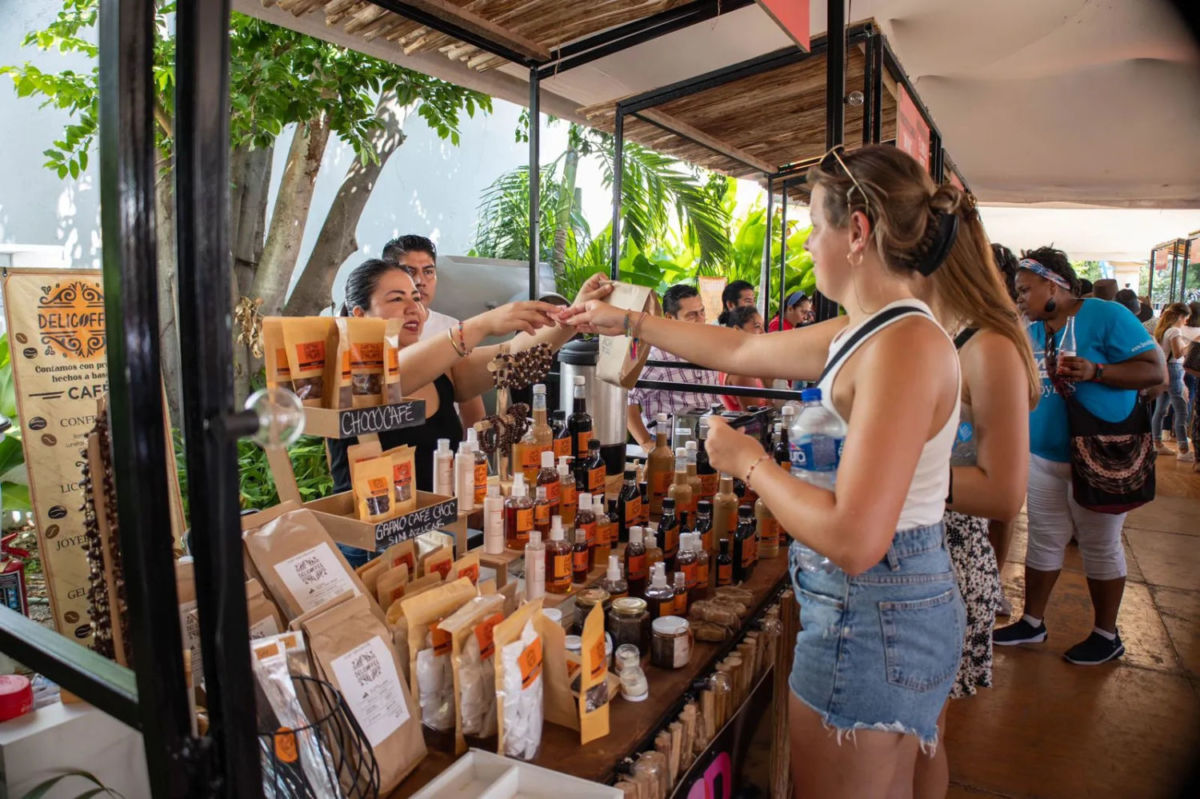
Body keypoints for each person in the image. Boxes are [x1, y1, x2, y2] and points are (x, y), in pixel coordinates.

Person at [567, 144, 966, 798]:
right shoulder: (871, 329)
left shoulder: (903, 346)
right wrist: (633, 321)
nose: (808, 243)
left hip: (872, 611)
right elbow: (745, 345)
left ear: (857, 231)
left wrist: (747, 461)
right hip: (885, 603)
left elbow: (855, 539)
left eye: (815, 225)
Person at [328, 260, 609, 566]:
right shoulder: (354, 374)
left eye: (416, 299)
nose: (414, 308)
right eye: (397, 299)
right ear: (359, 314)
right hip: (371, 547)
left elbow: (515, 356)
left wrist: (572, 317)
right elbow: (393, 377)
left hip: (434, 538)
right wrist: (482, 324)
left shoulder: (444, 371)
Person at [911, 198, 1040, 799]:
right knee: (907, 737)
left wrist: (897, 470)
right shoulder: (928, 330)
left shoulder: (985, 345)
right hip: (915, 547)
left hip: (948, 558)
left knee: (922, 737)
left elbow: (1004, 493)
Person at [993, 248, 1161, 665]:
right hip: (1045, 454)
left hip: (1101, 452)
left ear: (1054, 284)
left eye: (1025, 290)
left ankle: (1107, 634)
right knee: (1044, 539)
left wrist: (1097, 372)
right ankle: (1033, 622)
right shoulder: (1033, 330)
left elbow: (1154, 371)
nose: (1021, 299)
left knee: (1100, 545)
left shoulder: (1105, 316)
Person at [381, 235, 485, 431]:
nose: (420, 281)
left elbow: (472, 410)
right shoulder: (374, 334)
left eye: (428, 271)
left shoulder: (453, 329)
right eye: (409, 271)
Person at [625, 284, 718, 451]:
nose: (700, 319)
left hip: (705, 440)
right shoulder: (657, 355)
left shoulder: (709, 348)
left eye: (702, 312)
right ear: (669, 318)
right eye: (691, 315)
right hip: (668, 442)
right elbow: (626, 399)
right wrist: (646, 442)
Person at [1151, 302, 1192, 461]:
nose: (1186, 322)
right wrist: (1191, 345)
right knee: (1181, 410)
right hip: (1174, 370)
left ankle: (1157, 443)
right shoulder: (1175, 331)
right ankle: (1183, 448)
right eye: (1185, 318)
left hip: (1164, 370)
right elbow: (1177, 353)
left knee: (1160, 409)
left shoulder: (1162, 330)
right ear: (1181, 317)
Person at [717, 306, 770, 410]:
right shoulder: (740, 370)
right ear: (737, 330)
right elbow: (753, 415)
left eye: (762, 326)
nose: (763, 332)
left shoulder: (735, 361)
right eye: (757, 326)